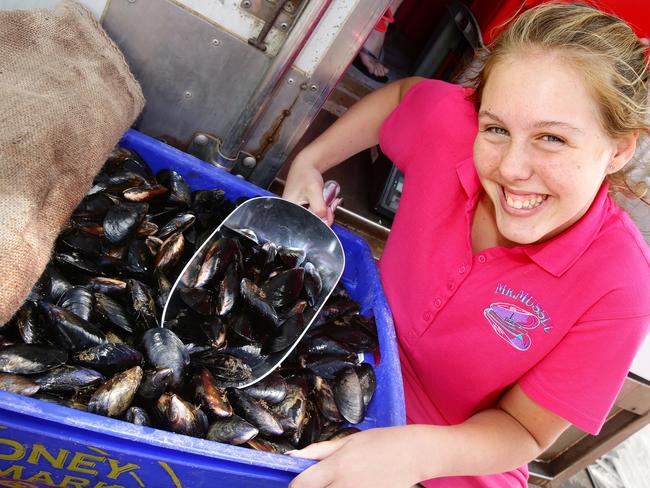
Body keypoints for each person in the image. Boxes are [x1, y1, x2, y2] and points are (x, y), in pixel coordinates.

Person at [282, 2, 650, 487]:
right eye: (497, 128)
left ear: (619, 149)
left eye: (552, 139)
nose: (512, 168)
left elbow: (523, 428)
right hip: (341, 362)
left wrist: (413, 455)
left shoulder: (619, 284)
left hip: (455, 459)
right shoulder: (456, 131)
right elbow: (401, 99)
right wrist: (311, 160)